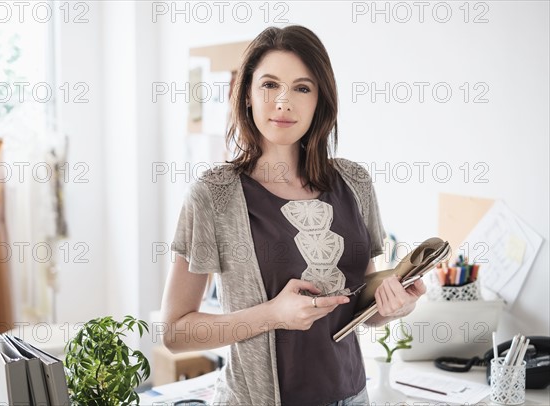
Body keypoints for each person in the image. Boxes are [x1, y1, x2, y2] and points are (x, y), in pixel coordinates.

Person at [161, 25, 427, 406]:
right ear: (247, 95)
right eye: (270, 85)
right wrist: (272, 314)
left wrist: (396, 305)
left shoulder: (355, 183)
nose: (284, 102)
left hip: (353, 396)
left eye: (302, 88)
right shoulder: (213, 195)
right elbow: (175, 332)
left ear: (320, 100)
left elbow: (361, 309)